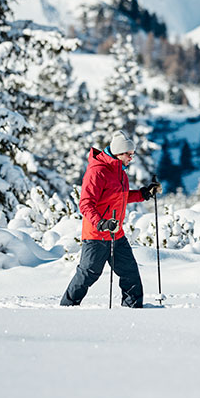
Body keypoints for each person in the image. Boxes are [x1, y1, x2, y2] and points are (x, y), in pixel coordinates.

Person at [60, 130, 161, 308]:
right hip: (96, 235)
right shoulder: (97, 172)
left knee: (130, 272)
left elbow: (119, 196)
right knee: (88, 274)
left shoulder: (119, 171)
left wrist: (143, 193)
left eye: (133, 154)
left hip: (116, 233)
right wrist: (101, 223)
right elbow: (85, 204)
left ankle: (133, 310)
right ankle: (67, 307)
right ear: (118, 153)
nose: (131, 158)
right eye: (129, 154)